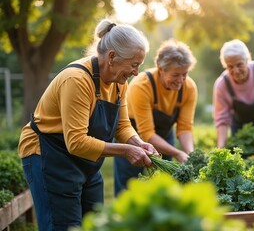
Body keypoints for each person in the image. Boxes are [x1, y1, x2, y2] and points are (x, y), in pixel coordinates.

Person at [17, 19, 159, 231]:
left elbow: (122, 127)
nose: (136, 72)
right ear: (112, 57)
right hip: (48, 155)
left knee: (94, 223)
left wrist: (138, 143)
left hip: (85, 161)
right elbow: (76, 142)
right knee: (62, 226)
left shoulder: (119, 84)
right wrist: (126, 151)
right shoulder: (77, 80)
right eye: (134, 64)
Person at [114, 39, 197, 195]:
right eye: (175, 75)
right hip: (132, 134)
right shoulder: (141, 85)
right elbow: (147, 134)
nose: (181, 80)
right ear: (161, 69)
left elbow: (185, 127)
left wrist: (191, 155)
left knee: (166, 184)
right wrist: (177, 153)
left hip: (164, 135)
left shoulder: (189, 87)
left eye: (184, 74)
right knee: (129, 185)